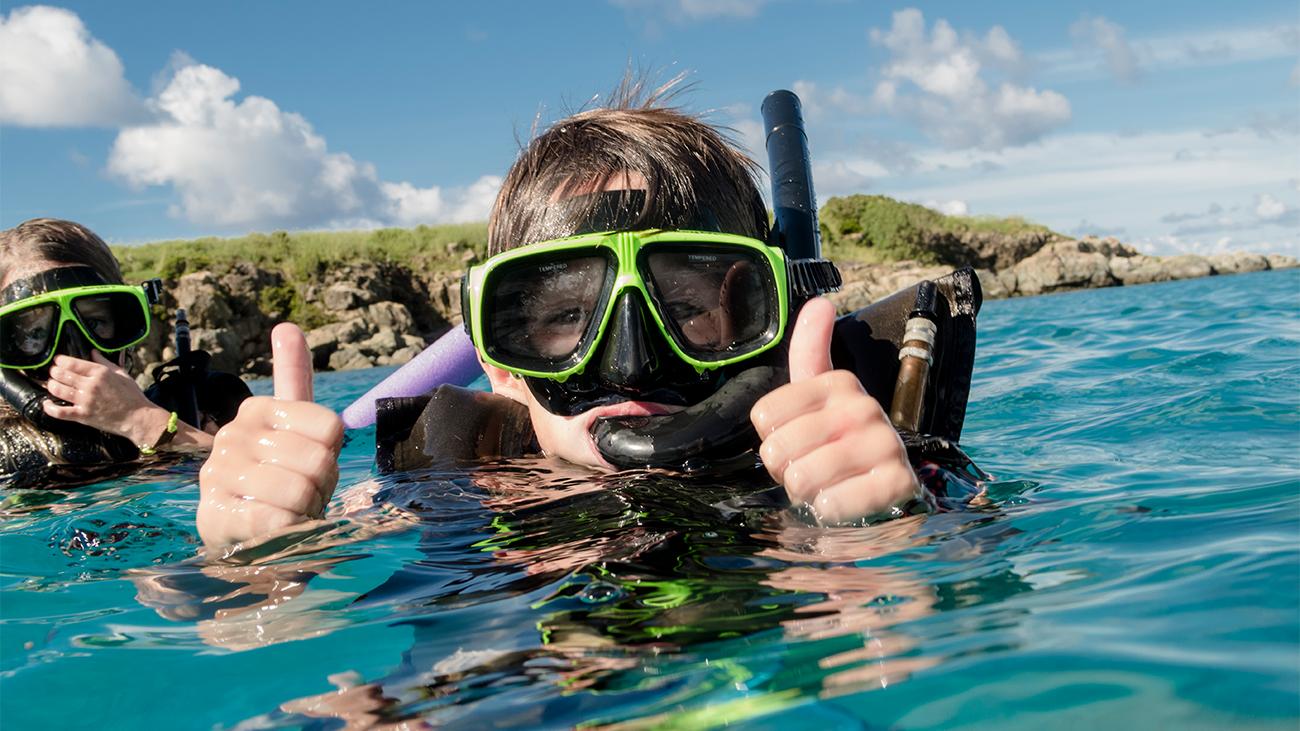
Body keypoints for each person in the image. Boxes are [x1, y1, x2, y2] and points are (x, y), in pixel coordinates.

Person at [196, 83, 925, 548]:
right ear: (501, 361)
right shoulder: (429, 493)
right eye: (568, 316)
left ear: (764, 320)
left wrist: (886, 534)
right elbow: (194, 607)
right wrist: (257, 558)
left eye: (688, 307)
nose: (632, 362)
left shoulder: (877, 471)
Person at [0, 218, 216, 488]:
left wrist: (143, 421)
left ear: (123, 321)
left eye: (94, 323)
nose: (74, 352)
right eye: (35, 333)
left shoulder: (197, 411)